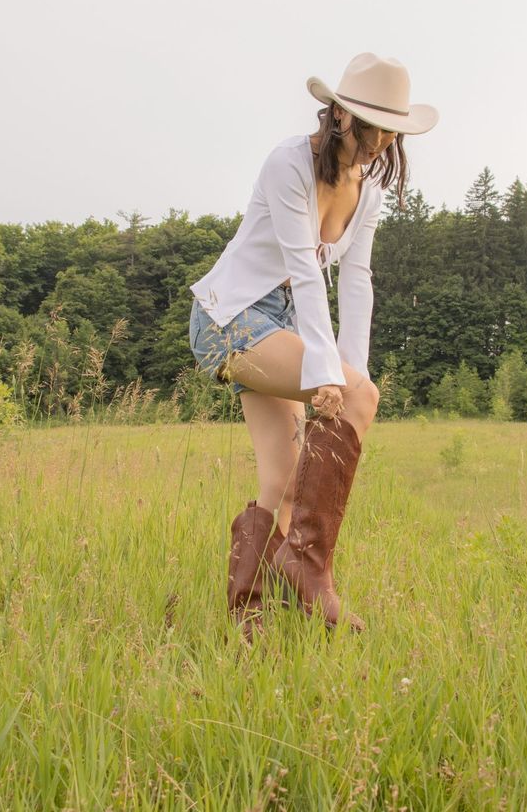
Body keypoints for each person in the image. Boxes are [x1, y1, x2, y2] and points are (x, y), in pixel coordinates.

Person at [188, 53, 438, 638]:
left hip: (282, 325)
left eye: (388, 129)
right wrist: (335, 376)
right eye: (365, 122)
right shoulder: (288, 164)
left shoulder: (367, 192)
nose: (376, 140)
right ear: (337, 114)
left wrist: (350, 371)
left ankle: (247, 619)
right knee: (357, 397)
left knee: (285, 475)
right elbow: (305, 270)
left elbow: (357, 280)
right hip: (230, 319)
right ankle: (306, 569)